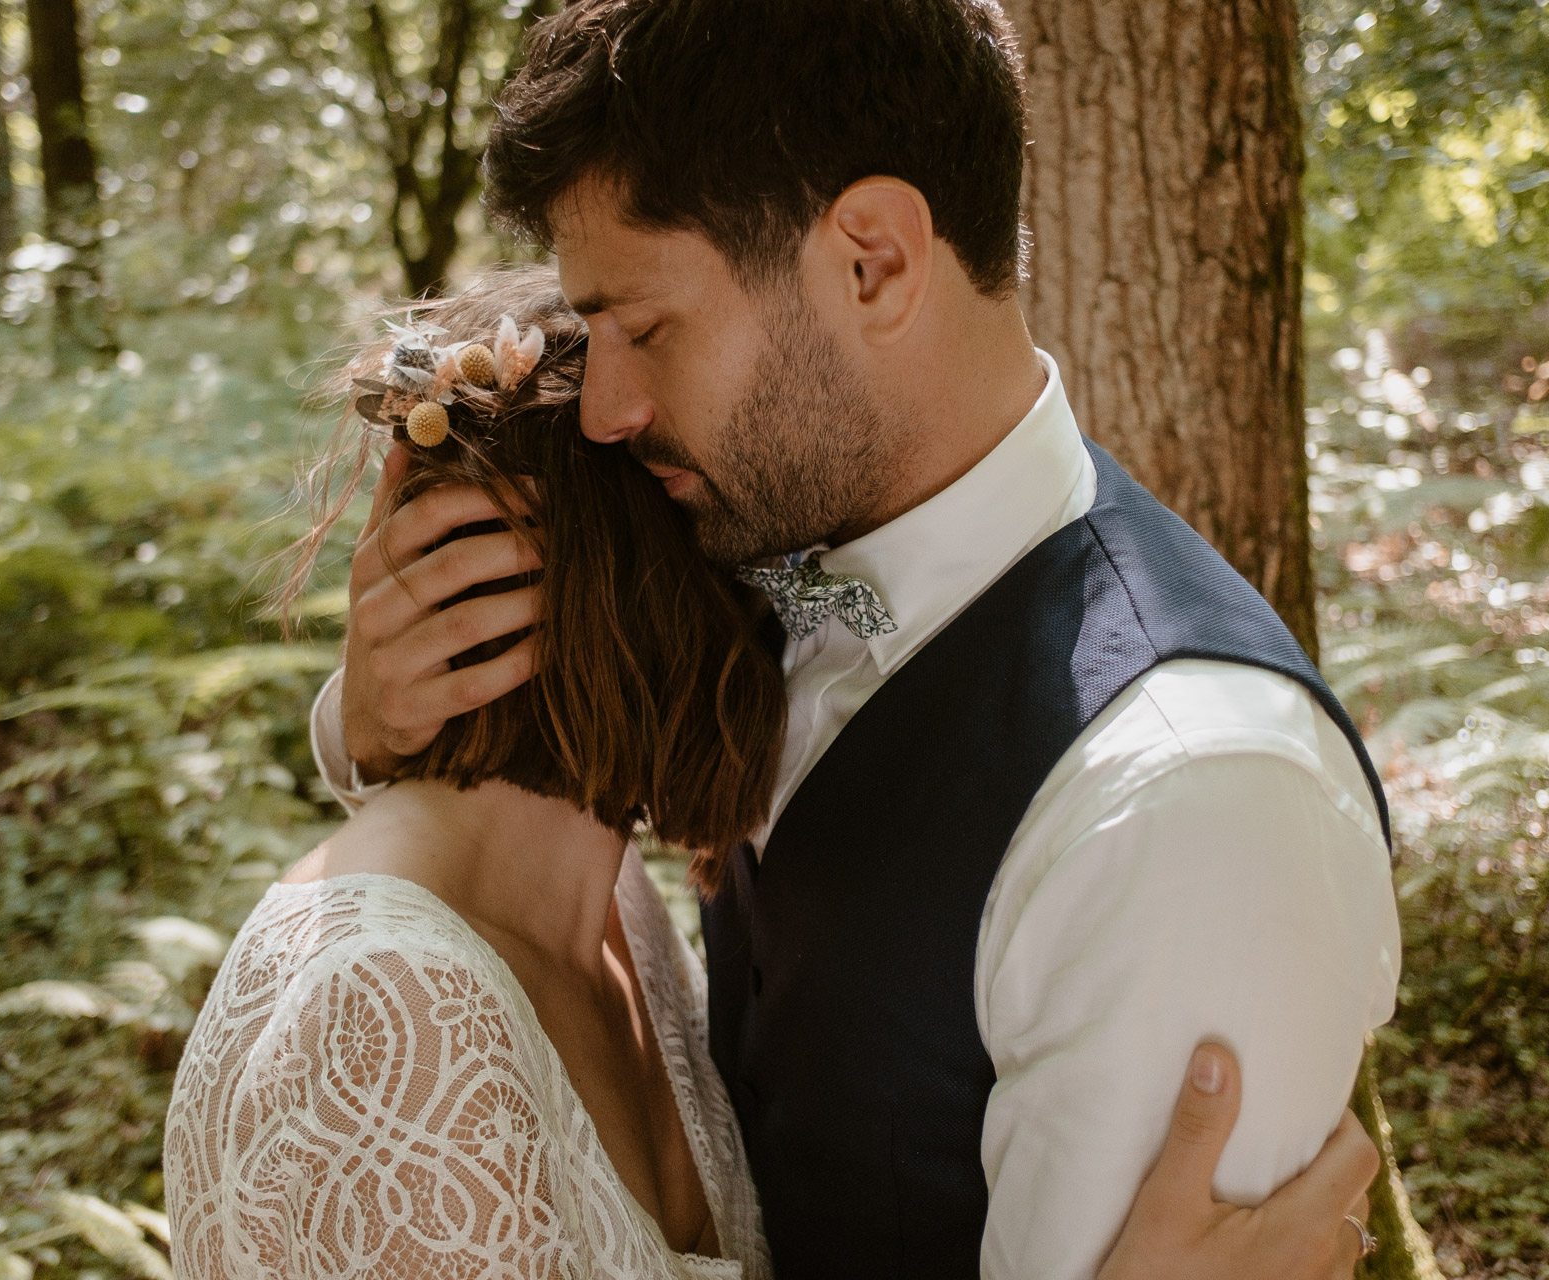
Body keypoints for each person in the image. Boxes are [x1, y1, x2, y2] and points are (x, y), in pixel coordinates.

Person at [308, 2, 1403, 1277]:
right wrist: (369, 717)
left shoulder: (1183, 804)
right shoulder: (766, 533)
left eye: (644, 327)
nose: (602, 407)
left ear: (871, 261)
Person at [164, 278, 1381, 1279]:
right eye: (765, 577)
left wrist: (371, 738)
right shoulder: (383, 1026)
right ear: (640, 612)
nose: (817, 618)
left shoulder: (612, 916)